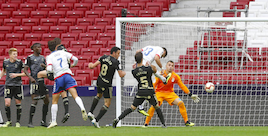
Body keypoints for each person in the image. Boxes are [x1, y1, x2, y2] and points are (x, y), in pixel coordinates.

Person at [112, 52, 166, 128]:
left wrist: (136, 67)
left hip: (141, 91)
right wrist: (149, 65)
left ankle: (117, 119)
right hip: (149, 90)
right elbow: (154, 69)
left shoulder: (134, 71)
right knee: (156, 107)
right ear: (142, 59)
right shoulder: (148, 68)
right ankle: (163, 124)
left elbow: (138, 73)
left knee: (132, 108)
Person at [143, 60, 200, 127]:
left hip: (170, 93)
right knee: (153, 106)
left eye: (172, 66)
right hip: (159, 93)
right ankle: (146, 124)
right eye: (169, 65)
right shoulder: (160, 74)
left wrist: (190, 94)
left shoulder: (175, 76)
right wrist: (149, 93)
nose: (170, 67)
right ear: (166, 66)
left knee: (181, 103)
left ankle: (186, 122)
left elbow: (182, 86)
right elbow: (154, 84)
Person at [46, 40, 88, 128]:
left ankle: (53, 121)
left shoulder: (49, 57)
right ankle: (82, 108)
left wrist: (53, 70)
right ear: (56, 47)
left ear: (49, 48)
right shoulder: (62, 52)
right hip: (68, 75)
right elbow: (76, 59)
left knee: (55, 100)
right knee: (75, 95)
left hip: (58, 77)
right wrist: (72, 65)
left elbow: (49, 69)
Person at [87, 47, 126, 128]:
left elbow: (92, 66)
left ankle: (90, 112)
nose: (119, 55)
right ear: (114, 53)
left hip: (99, 81)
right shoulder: (116, 62)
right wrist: (124, 73)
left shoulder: (103, 57)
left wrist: (90, 64)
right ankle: (96, 120)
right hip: (107, 84)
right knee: (107, 103)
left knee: (99, 95)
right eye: (118, 53)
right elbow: (120, 75)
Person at [35, 38, 70, 123]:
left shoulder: (56, 51)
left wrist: (46, 67)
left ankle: (42, 93)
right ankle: (66, 112)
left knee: (39, 74)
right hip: (64, 72)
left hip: (56, 72)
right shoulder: (64, 50)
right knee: (63, 93)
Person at [135, 46, 170, 116]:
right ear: (164, 52)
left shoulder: (149, 47)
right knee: (147, 85)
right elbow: (156, 58)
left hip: (139, 64)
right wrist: (162, 68)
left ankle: (163, 79)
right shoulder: (161, 50)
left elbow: (137, 51)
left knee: (153, 71)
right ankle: (140, 106)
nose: (161, 56)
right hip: (145, 64)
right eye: (162, 56)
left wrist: (138, 62)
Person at [24, 43, 49, 128]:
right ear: (34, 48)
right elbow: (25, 69)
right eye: (38, 47)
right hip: (34, 82)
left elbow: (47, 69)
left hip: (41, 82)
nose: (40, 49)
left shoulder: (42, 58)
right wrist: (30, 78)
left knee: (46, 100)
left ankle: (43, 121)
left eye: (40, 47)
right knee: (35, 101)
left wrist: (44, 66)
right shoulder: (30, 58)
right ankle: (30, 122)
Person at [0, 48, 26, 127]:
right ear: (10, 55)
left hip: (17, 85)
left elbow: (25, 73)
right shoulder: (5, 62)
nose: (16, 55)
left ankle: (18, 122)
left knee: (18, 103)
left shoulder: (19, 62)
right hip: (8, 85)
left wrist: (16, 75)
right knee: (7, 103)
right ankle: (9, 121)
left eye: (16, 54)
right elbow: (3, 71)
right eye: (14, 54)